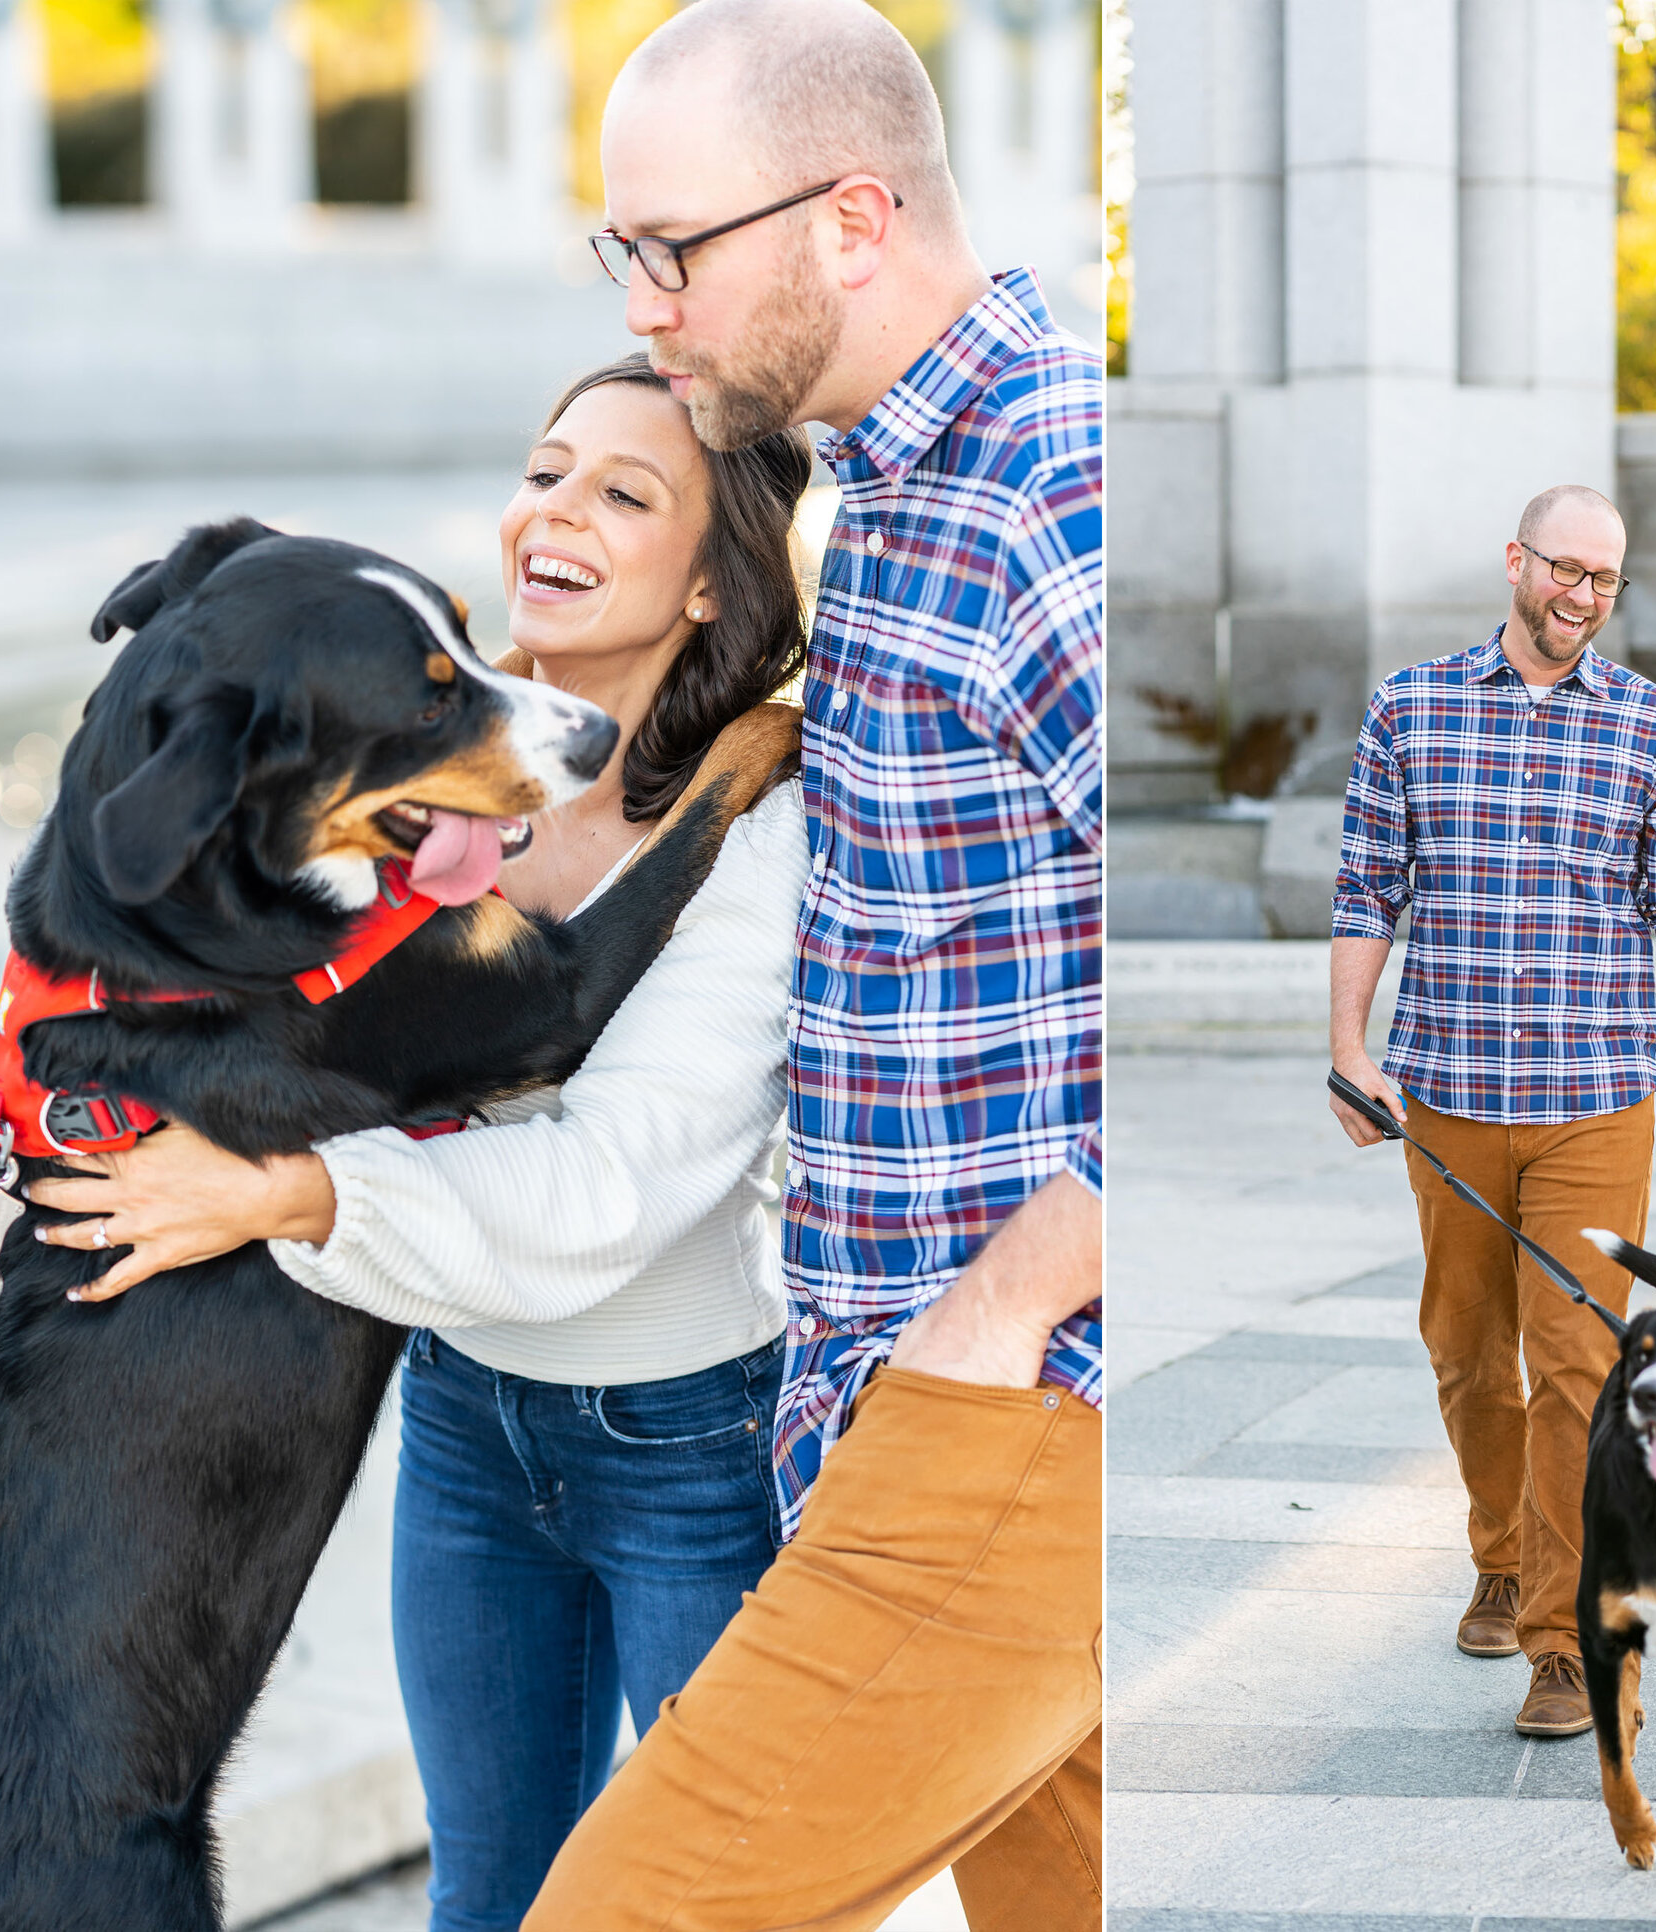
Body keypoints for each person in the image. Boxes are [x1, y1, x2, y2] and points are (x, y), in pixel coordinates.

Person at [26, 355, 816, 1931]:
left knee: (709, 1909)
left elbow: (604, 1191)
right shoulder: (410, 766)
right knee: (488, 1896)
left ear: (718, 582)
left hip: (683, 1444)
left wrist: (283, 1194)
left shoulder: (769, 820)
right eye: (545, 470)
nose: (555, 512)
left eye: (622, 492)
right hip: (460, 1417)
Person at [523, 1, 1102, 1925]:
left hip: (1004, 1413)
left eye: (671, 248)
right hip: (910, 1406)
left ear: (853, 222)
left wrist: (1001, 1309)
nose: (648, 302)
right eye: (627, 250)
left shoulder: (1052, 489)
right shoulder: (893, 485)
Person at [1327, 483, 1656, 1739]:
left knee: (1575, 1369)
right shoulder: (1412, 705)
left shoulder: (1652, 728)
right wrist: (1349, 1045)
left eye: (1604, 581)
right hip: (1448, 1093)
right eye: (1565, 569)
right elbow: (1366, 887)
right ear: (1516, 561)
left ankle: (1560, 1641)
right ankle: (1500, 1557)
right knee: (1464, 1351)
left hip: (1593, 1101)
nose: (1581, 596)